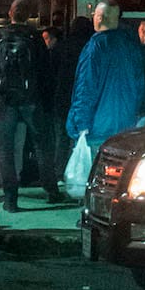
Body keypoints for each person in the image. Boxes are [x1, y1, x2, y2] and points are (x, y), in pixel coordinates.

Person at [0, 0, 58, 212]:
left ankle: (11, 199)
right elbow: (45, 74)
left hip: (5, 101)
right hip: (32, 101)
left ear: (9, 13)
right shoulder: (35, 38)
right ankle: (50, 190)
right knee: (42, 145)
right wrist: (46, 105)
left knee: (4, 150)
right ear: (28, 15)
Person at [67, 2, 145, 172]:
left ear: (100, 17)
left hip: (98, 129)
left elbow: (85, 90)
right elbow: (140, 87)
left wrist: (80, 126)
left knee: (97, 179)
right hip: (126, 127)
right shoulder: (131, 47)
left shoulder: (95, 48)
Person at [52, 16, 92, 180]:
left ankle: (59, 172)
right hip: (82, 99)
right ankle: (78, 174)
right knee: (80, 138)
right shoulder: (89, 48)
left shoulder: (61, 47)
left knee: (61, 138)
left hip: (61, 98)